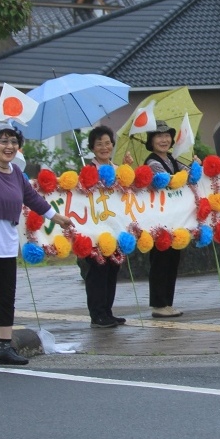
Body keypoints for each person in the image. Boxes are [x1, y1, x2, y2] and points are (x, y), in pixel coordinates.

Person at [0, 119, 75, 366]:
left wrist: (56, 218)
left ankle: (5, 346)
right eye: (3, 141)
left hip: (5, 242)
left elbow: (32, 198)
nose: (9, 146)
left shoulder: (15, 173)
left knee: (7, 296)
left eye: (14, 141)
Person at [77, 125, 133, 327]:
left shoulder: (118, 170)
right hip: (94, 232)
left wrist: (127, 169)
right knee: (97, 273)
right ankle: (97, 314)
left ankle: (107, 311)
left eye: (107, 143)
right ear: (92, 147)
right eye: (99, 144)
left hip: (115, 230)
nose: (104, 147)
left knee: (112, 271)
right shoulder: (88, 171)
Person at [144, 120, 190, 318]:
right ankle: (158, 304)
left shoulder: (172, 158)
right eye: (159, 136)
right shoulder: (152, 162)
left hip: (174, 220)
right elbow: (170, 182)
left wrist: (193, 166)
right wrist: (184, 174)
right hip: (158, 220)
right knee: (160, 262)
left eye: (167, 136)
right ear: (151, 140)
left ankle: (167, 303)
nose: (164, 140)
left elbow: (186, 173)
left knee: (172, 260)